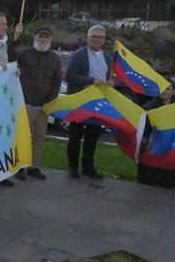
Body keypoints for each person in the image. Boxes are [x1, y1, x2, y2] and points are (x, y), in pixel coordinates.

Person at [12, 24, 62, 181]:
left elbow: (57, 82)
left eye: (47, 36)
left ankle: (33, 167)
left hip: (43, 107)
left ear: (51, 39)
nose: (43, 39)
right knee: (24, 137)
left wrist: (49, 102)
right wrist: (14, 39)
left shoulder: (55, 58)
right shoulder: (25, 53)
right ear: (35, 37)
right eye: (41, 35)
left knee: (39, 138)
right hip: (25, 104)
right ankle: (20, 166)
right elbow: (11, 57)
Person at [65, 24, 114, 180]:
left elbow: (108, 77)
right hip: (80, 101)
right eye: (94, 36)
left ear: (104, 39)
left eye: (100, 37)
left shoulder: (107, 57)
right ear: (88, 38)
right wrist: (92, 81)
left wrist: (110, 82)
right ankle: (73, 167)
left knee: (93, 136)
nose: (97, 39)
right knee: (75, 135)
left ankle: (88, 167)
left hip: (97, 103)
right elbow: (70, 76)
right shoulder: (79, 55)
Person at [135, 77, 175, 190]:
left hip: (171, 149)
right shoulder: (149, 107)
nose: (164, 91)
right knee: (149, 182)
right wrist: (139, 149)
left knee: (168, 181)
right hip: (154, 148)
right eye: (162, 88)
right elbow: (144, 131)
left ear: (173, 91)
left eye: (168, 89)